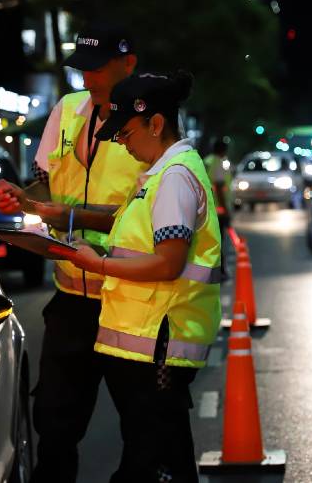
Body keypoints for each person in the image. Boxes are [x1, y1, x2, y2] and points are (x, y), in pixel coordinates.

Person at [0, 22, 147, 483]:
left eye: (97, 70)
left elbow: (148, 211)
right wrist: (21, 194)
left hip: (127, 302)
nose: (88, 80)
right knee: (54, 427)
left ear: (128, 63)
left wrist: (66, 215)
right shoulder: (68, 109)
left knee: (144, 430)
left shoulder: (148, 119)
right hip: (71, 300)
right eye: (82, 70)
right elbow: (44, 182)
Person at [50, 71, 221, 483]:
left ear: (156, 123)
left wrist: (99, 265)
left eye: (125, 133)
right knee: (164, 458)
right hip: (145, 345)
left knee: (151, 461)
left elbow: (168, 263)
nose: (122, 145)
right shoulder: (161, 174)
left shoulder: (175, 177)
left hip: (157, 344)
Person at [203, 139, 232, 279]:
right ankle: (219, 271)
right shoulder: (217, 163)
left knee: (210, 241)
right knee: (219, 241)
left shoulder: (206, 161)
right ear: (223, 151)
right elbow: (219, 188)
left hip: (206, 208)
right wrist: (225, 210)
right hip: (217, 209)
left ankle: (213, 270)